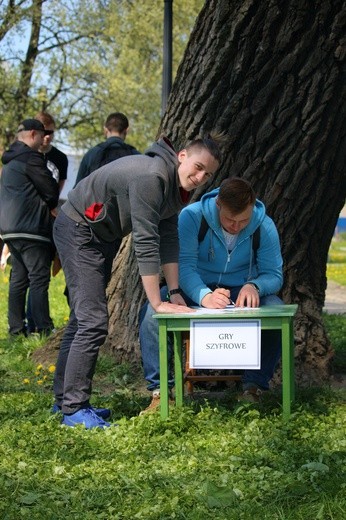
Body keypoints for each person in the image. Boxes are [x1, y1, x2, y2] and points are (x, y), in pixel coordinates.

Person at [52, 133, 222, 429]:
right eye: (197, 167)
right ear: (181, 156)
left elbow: (168, 237)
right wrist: (157, 303)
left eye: (207, 174)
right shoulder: (152, 178)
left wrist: (176, 291)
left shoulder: (174, 189)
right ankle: (74, 408)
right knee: (92, 321)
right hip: (78, 229)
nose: (200, 177)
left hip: (100, 236)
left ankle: (64, 401)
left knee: (83, 320)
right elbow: (145, 242)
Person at [139, 177, 284, 411]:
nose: (236, 226)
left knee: (276, 310)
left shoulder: (264, 225)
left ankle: (253, 387)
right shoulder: (192, 216)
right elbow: (183, 266)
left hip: (241, 289)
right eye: (229, 219)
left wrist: (255, 286)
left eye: (243, 220)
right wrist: (204, 296)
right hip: (193, 287)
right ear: (218, 204)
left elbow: (274, 275)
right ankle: (160, 392)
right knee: (151, 314)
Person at [0, 119, 59, 336]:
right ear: (32, 133)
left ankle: (16, 329)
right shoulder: (31, 158)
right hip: (32, 228)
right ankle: (43, 327)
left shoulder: (9, 161)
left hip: (10, 228)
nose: (45, 139)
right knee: (38, 277)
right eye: (43, 135)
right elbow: (51, 191)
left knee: (19, 278)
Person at [74, 112, 140, 185]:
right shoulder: (136, 156)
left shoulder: (92, 154)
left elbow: (77, 189)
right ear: (126, 130)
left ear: (105, 130)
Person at [35, 111, 68, 194]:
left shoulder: (61, 158)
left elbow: (61, 182)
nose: (48, 136)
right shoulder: (25, 155)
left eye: (51, 132)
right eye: (45, 132)